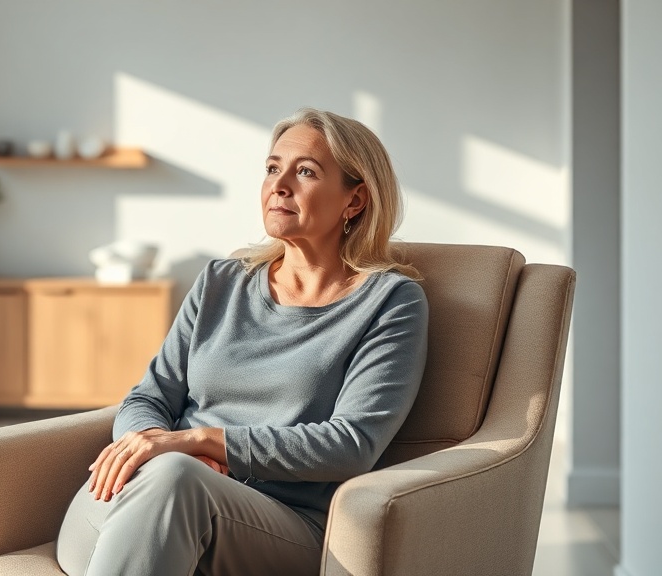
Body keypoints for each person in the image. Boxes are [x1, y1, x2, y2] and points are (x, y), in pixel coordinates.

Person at [55, 108, 429, 576]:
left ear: (354, 202)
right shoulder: (220, 280)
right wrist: (152, 444)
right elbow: (149, 396)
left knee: (176, 479)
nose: (280, 184)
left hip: (280, 524)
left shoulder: (390, 301)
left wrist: (201, 444)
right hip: (152, 493)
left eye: (306, 171)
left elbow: (351, 443)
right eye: (273, 168)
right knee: (169, 483)